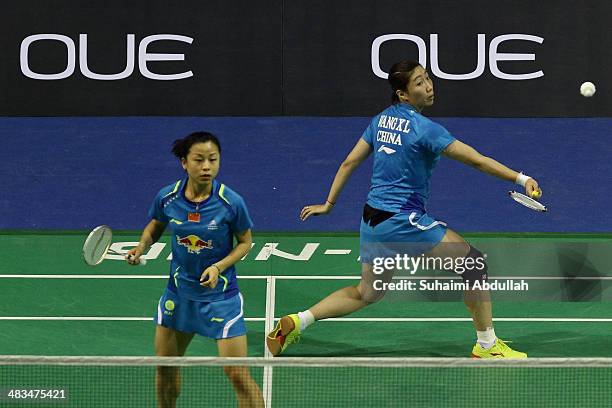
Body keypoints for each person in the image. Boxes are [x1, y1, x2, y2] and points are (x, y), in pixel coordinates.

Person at [266, 60, 542, 359]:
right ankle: (487, 345)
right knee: (473, 264)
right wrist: (521, 178)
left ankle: (298, 321)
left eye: (428, 78)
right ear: (403, 95)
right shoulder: (426, 129)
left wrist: (329, 204)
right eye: (420, 82)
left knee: (367, 293)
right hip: (401, 219)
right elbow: (475, 159)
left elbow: (349, 162)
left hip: (372, 219)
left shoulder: (381, 120)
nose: (429, 85)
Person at [127, 132, 264, 407]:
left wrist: (218, 266)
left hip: (220, 299)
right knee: (165, 371)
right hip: (179, 297)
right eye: (199, 160)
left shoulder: (230, 202)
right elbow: (156, 225)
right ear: (184, 163)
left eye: (213, 160)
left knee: (237, 374)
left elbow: (245, 242)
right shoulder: (167, 197)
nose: (206, 167)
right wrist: (142, 245)